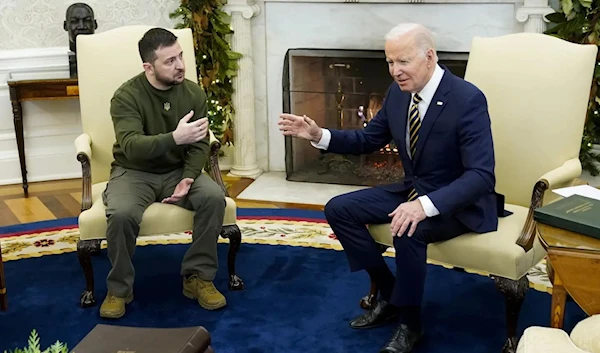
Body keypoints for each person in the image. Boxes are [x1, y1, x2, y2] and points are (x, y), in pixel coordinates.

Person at [278, 23, 504, 353]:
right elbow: (369, 139)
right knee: (339, 209)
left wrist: (424, 206)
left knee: (408, 228)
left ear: (429, 57)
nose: (394, 71)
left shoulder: (467, 99)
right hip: (413, 188)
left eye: (402, 62)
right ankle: (391, 292)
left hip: (459, 202)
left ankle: (410, 325)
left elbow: (481, 176)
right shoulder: (398, 93)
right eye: (389, 62)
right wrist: (318, 135)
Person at [99, 28, 227, 319]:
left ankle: (198, 278)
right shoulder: (126, 96)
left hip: (177, 169)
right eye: (169, 61)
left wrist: (189, 177)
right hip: (134, 171)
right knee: (120, 214)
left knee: (213, 197)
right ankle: (119, 289)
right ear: (149, 67)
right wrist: (174, 138)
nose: (180, 65)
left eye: (180, 56)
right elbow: (131, 147)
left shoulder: (194, 93)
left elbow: (199, 144)